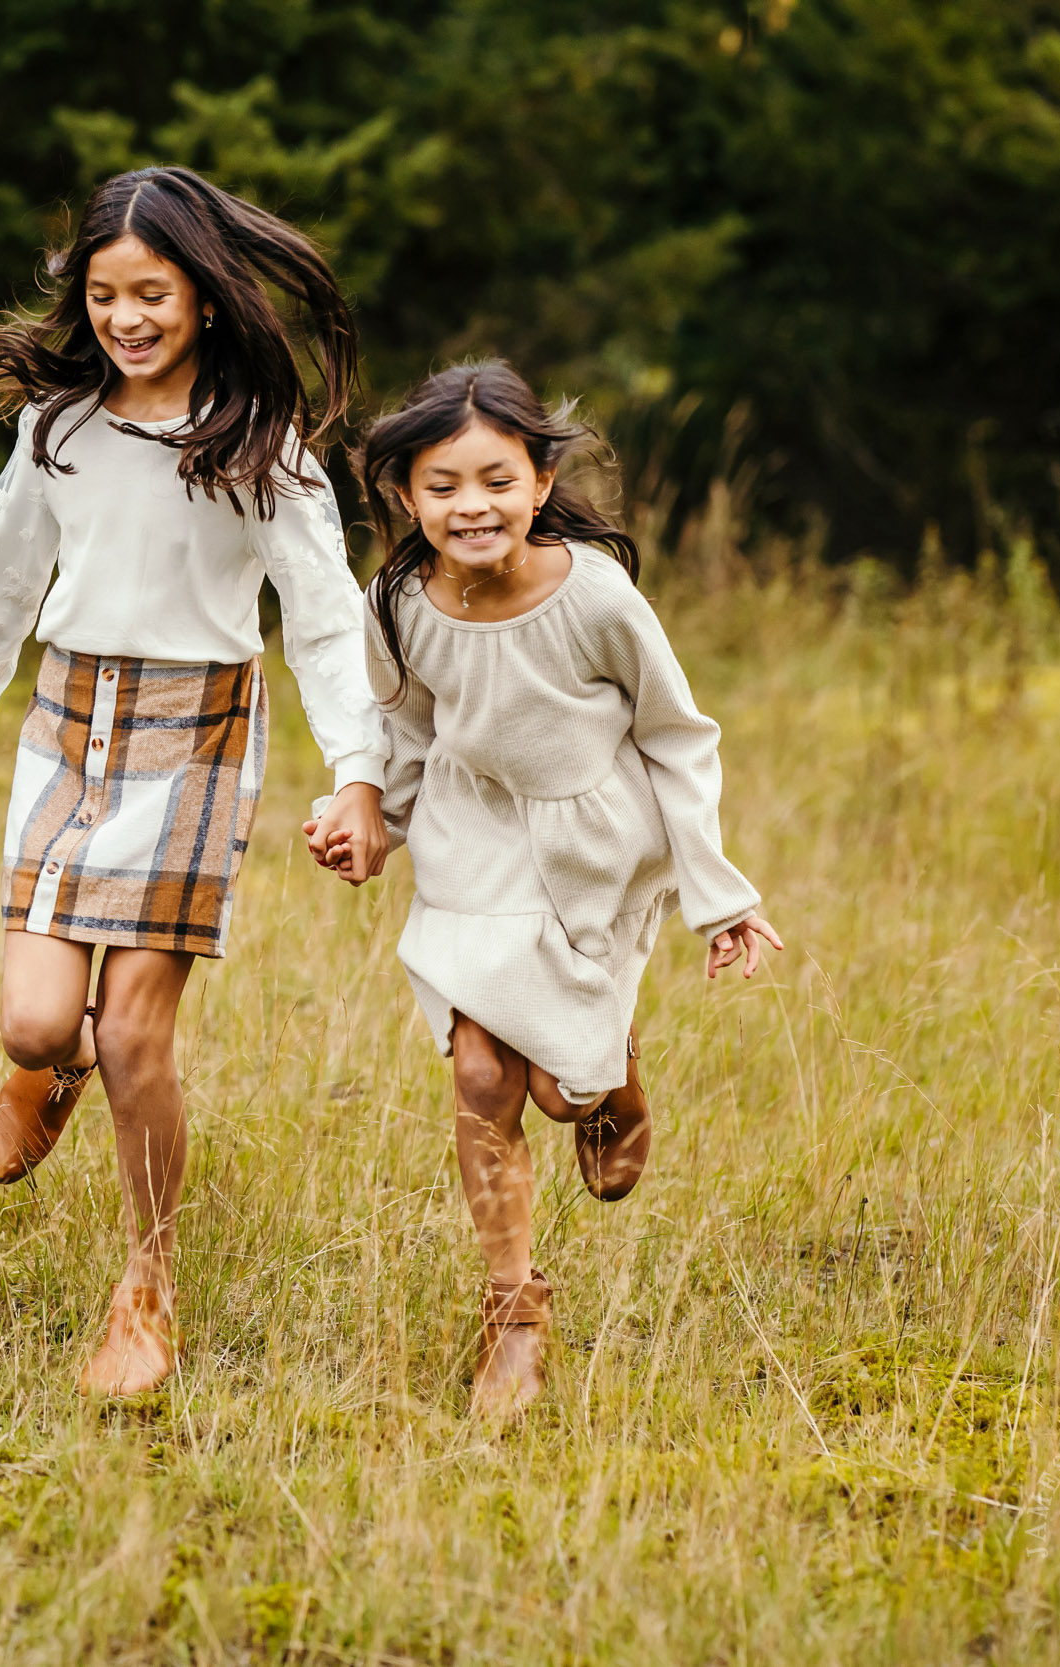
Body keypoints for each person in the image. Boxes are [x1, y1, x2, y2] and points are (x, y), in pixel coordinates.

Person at [0, 165, 390, 1396]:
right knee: (37, 1020)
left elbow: (326, 616)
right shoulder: (56, 429)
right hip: (71, 722)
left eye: (154, 294)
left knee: (136, 1033)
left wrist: (358, 773)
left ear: (205, 296)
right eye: (106, 293)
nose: (128, 318)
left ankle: (146, 1284)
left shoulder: (258, 440)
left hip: (197, 732)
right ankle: (50, 1068)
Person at [310, 360, 782, 1417]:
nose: (468, 506)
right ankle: (512, 1310)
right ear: (403, 495)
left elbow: (677, 736)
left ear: (537, 479)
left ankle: (605, 1076)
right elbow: (407, 731)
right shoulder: (397, 601)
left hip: (592, 854)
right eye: (440, 486)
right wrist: (371, 822)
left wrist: (717, 893)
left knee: (556, 1090)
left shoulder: (596, 597)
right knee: (480, 1074)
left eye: (492, 480)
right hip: (471, 845)